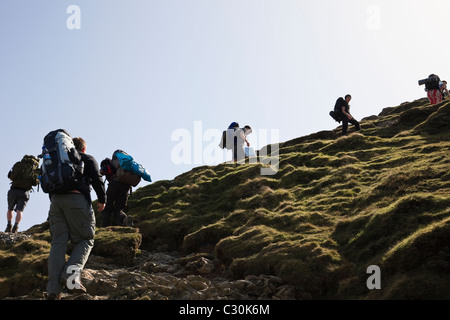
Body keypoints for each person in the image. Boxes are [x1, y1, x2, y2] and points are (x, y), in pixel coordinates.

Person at [46, 137, 105, 300]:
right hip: (77, 200)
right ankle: (71, 278)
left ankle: (53, 291)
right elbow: (97, 179)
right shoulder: (86, 158)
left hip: (56, 203)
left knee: (58, 242)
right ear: (83, 149)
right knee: (86, 239)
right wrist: (102, 199)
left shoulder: (57, 161)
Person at [4, 155, 40, 233]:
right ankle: (15, 227)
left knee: (10, 209)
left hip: (13, 190)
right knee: (19, 211)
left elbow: (11, 176)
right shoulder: (35, 170)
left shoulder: (19, 165)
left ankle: (8, 226)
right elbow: (35, 183)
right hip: (24, 192)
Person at [99, 157, 131, 227]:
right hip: (125, 187)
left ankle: (105, 226)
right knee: (118, 209)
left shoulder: (109, 166)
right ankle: (125, 220)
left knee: (106, 207)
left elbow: (101, 171)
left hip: (114, 185)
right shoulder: (121, 168)